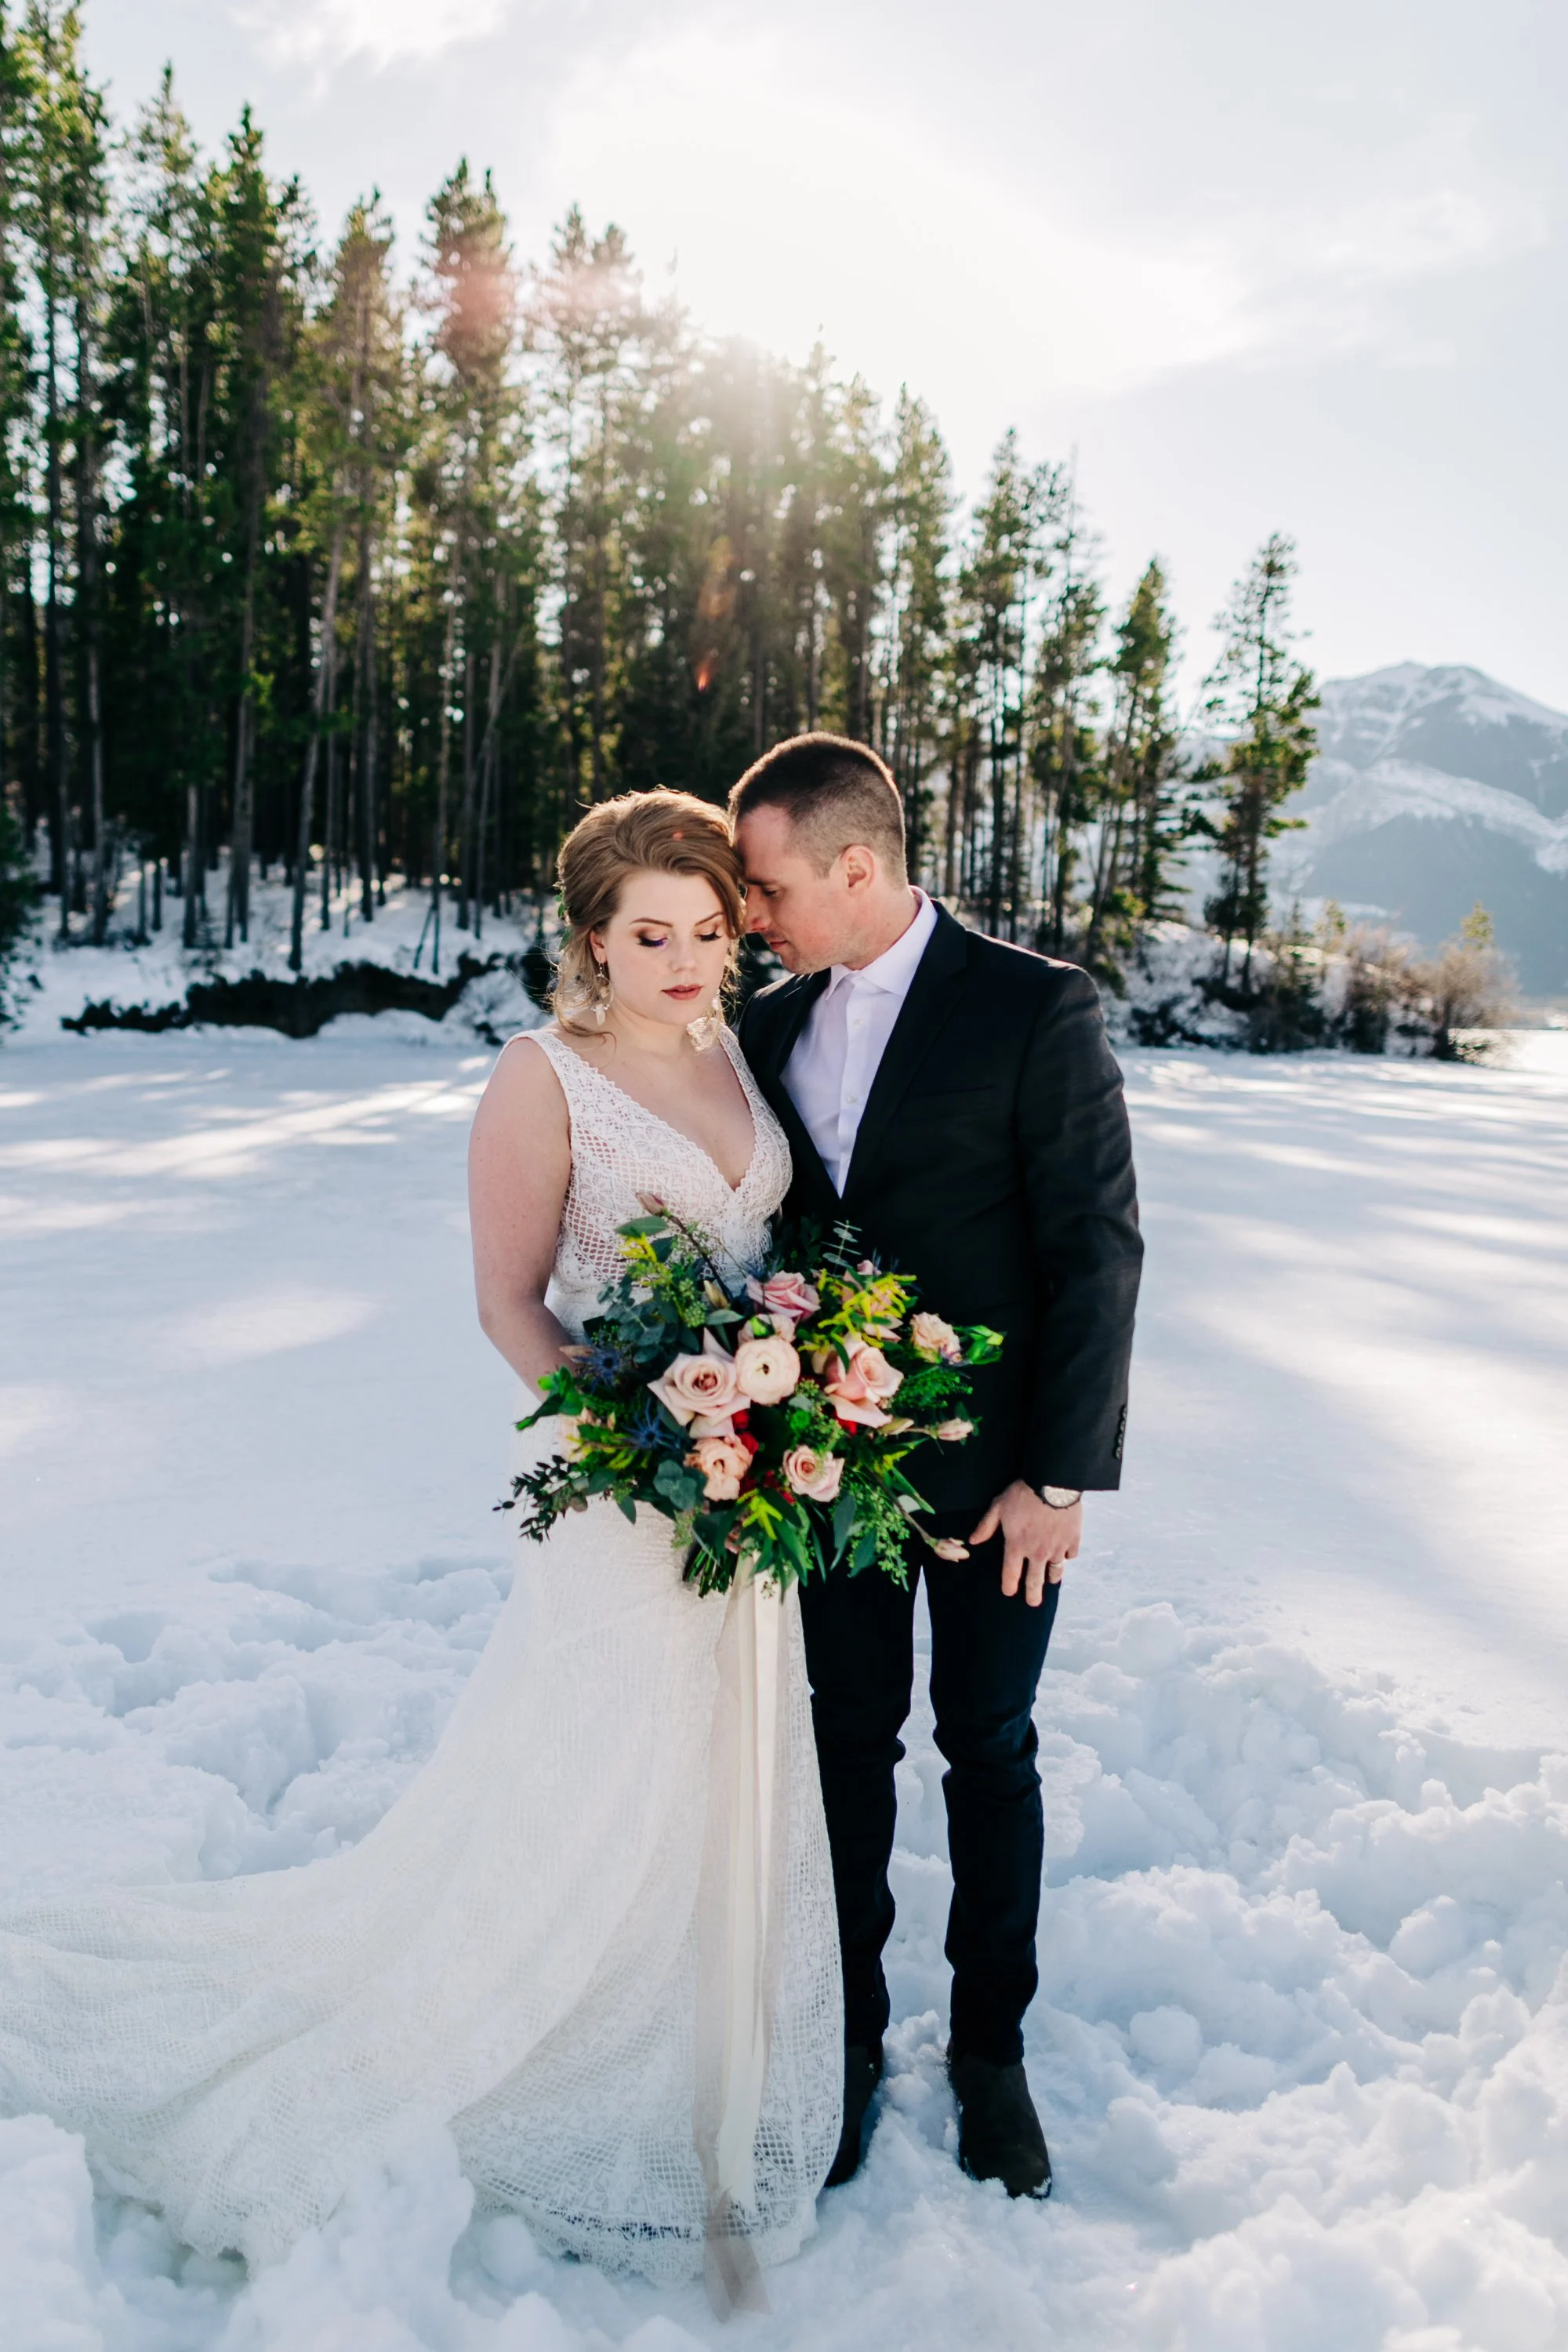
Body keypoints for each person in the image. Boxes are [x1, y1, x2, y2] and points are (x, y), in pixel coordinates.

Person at [0, 789, 840, 2307]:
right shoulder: (544, 1079)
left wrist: (780, 1408)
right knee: (601, 1779)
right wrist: (640, 1437)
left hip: (751, 1493)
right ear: (591, 937)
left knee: (721, 1786)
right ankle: (539, 2051)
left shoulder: (739, 1056)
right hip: (626, 1490)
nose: (684, 960)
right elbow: (510, 1303)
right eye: (650, 934)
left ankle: (691, 2064)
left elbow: (764, 1266)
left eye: (709, 932)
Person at [733, 733, 1142, 2201]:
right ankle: (842, 2049)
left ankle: (991, 2056)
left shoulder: (1037, 1008)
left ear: (857, 866)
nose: (752, 912)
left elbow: (1095, 1251)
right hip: (827, 1476)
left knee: (989, 1750)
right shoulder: (769, 1030)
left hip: (999, 1489)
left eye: (768, 883)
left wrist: (1060, 1476)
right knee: (842, 1755)